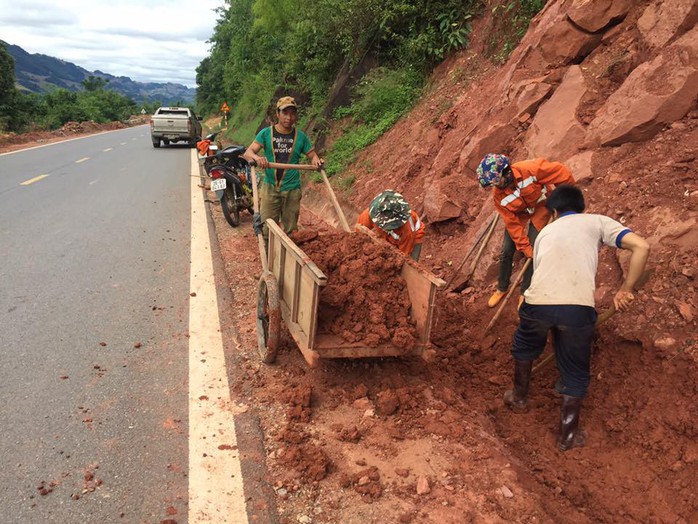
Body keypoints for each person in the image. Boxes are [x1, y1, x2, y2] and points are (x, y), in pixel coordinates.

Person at [503, 185, 649, 451]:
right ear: (583, 206)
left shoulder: (545, 232)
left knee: (525, 348)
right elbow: (641, 246)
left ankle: (519, 398)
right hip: (577, 308)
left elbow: (539, 272)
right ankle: (568, 437)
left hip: (538, 304)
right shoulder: (597, 222)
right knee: (576, 370)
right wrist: (626, 289)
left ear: (555, 211)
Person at [477, 154, 576, 308]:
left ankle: (525, 291)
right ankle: (501, 287)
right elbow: (511, 223)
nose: (495, 186)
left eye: (496, 181)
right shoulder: (498, 195)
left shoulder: (530, 169)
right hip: (520, 216)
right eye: (491, 184)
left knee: (534, 250)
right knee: (506, 251)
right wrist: (524, 247)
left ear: (506, 171)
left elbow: (561, 172)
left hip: (540, 207)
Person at [243, 96, 323, 241]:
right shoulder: (266, 133)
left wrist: (317, 161)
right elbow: (248, 153)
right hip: (269, 187)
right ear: (278, 114)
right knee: (267, 229)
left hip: (292, 189)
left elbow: (313, 156)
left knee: (291, 232)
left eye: (292, 113)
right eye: (285, 113)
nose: (289, 117)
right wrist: (257, 158)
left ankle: (288, 262)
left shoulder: (301, 137)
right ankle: (268, 260)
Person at [356, 190, 425, 261]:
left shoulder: (407, 231)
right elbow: (358, 233)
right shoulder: (372, 213)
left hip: (412, 240)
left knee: (408, 264)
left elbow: (403, 258)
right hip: (391, 236)